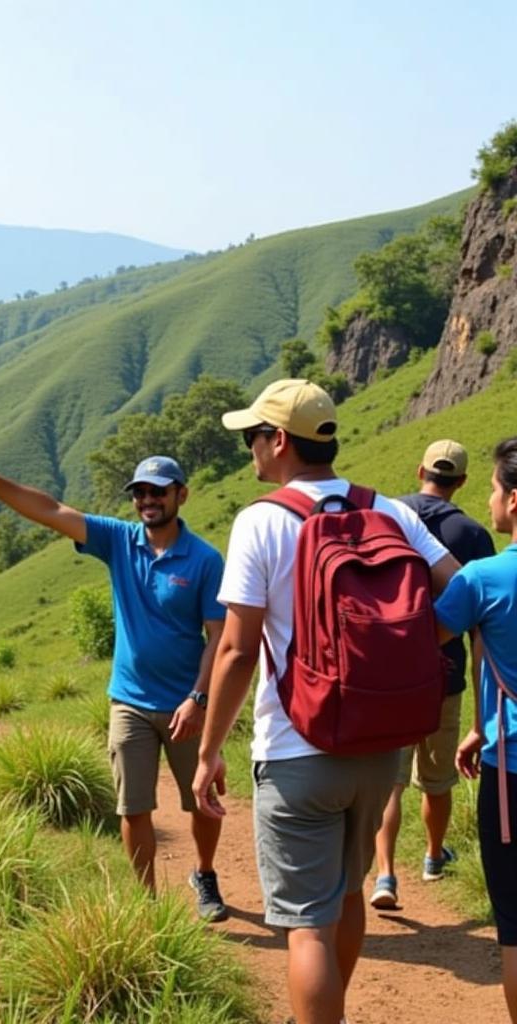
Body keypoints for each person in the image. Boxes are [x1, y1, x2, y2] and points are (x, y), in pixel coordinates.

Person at [191, 379, 457, 1024]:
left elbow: (235, 649)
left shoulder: (261, 519)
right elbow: (456, 589)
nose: (250, 448)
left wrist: (207, 751)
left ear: (279, 441)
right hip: (381, 744)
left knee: (306, 923)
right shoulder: (390, 511)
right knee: (347, 894)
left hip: (296, 747)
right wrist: (412, 648)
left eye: (254, 436)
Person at [0, 456, 229, 918]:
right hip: (128, 701)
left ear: (180, 495)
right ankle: (146, 906)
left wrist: (198, 699)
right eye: (140, 492)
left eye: (158, 491)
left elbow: (218, 638)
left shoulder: (206, 560)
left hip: (186, 704)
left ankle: (204, 875)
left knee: (202, 801)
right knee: (133, 808)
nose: (147, 500)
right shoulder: (118, 540)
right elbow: (50, 510)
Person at [370, 439, 495, 910]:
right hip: (446, 677)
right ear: (462, 481)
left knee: (391, 781)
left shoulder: (387, 517)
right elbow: (477, 623)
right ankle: (431, 857)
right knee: (437, 780)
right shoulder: (473, 532)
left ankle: (384, 876)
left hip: (388, 679)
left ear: (420, 469)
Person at [435, 436, 517, 1023]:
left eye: (493, 488)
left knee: (514, 927)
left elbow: (421, 643)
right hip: (496, 740)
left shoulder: (483, 579)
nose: (489, 498)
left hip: (511, 773)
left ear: (514, 502)